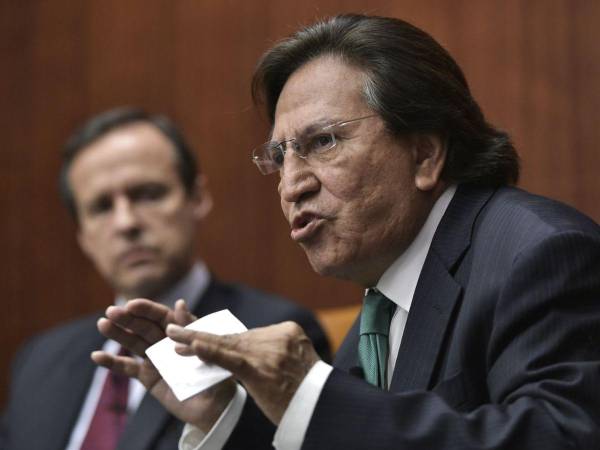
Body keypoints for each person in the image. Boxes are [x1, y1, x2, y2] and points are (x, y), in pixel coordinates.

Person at [94, 14, 600, 450]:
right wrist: (223, 412)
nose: (292, 185)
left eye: (324, 142)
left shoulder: (543, 256)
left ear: (425, 154)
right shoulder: (381, 306)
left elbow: (559, 438)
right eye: (280, 156)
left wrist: (311, 394)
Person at [0, 108, 331, 450]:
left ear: (197, 198)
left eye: (148, 194)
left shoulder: (271, 334)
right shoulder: (38, 360)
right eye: (101, 207)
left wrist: (219, 416)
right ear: (82, 235)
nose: (126, 223)